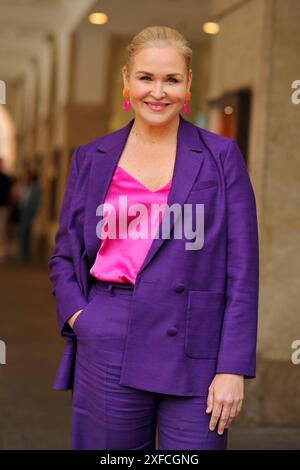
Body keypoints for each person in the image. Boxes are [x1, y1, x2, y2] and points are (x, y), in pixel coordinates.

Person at [48, 26, 259, 450]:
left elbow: (242, 270)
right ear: (126, 80)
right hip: (109, 338)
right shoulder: (92, 157)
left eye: (171, 79)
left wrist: (232, 366)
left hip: (197, 347)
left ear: (189, 85)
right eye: (146, 78)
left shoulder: (220, 157)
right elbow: (65, 256)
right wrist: (82, 319)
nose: (157, 92)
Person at [18, 168, 41, 264]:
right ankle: (23, 255)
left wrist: (34, 214)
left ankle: (24, 256)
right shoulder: (26, 187)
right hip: (23, 211)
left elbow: (35, 202)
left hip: (29, 213)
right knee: (23, 234)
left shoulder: (35, 188)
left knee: (24, 234)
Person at [0, 157, 12, 262]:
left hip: (3, 207)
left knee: (2, 230)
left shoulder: (6, 178)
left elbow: (11, 193)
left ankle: (2, 252)